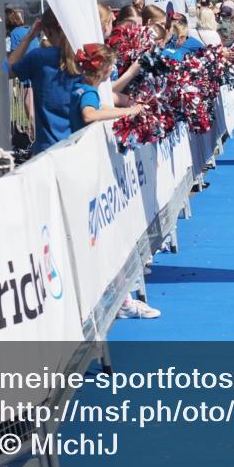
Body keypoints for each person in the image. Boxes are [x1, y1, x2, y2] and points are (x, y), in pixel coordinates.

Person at [69, 43, 161, 319]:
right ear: (104, 68)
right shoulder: (86, 91)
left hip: (86, 168)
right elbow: (89, 114)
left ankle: (122, 299)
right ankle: (122, 302)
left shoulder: (78, 86)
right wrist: (128, 112)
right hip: (87, 173)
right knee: (108, 237)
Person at [8, 10, 78, 155]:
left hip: (47, 148)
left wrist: (29, 37)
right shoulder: (84, 57)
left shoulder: (38, 57)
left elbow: (7, 70)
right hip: (79, 143)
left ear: (46, 30)